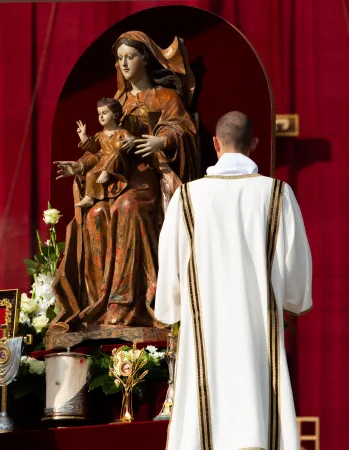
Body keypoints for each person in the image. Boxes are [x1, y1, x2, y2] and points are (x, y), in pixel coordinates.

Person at [155, 111, 312, 449]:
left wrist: (174, 307)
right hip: (259, 338)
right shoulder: (277, 195)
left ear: (215, 144)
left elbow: (169, 275)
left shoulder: (186, 199)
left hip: (204, 336)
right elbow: (297, 283)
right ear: (254, 144)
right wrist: (290, 298)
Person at [49, 31, 198, 332]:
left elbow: (186, 131)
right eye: (120, 58)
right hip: (114, 183)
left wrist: (161, 140)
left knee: (128, 208)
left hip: (148, 181)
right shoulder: (117, 102)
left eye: (130, 56)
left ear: (144, 58)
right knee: (94, 216)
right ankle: (99, 304)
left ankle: (127, 302)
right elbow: (103, 148)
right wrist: (78, 166)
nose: (124, 63)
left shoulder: (166, 97)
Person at [74, 97, 134, 209]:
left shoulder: (122, 132)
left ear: (115, 114)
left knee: (117, 152)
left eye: (104, 113)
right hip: (103, 164)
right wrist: (83, 137)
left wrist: (132, 140)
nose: (101, 116)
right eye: (99, 113)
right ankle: (90, 197)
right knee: (90, 174)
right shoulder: (99, 135)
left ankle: (107, 171)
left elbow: (131, 141)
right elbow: (94, 149)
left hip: (120, 164)